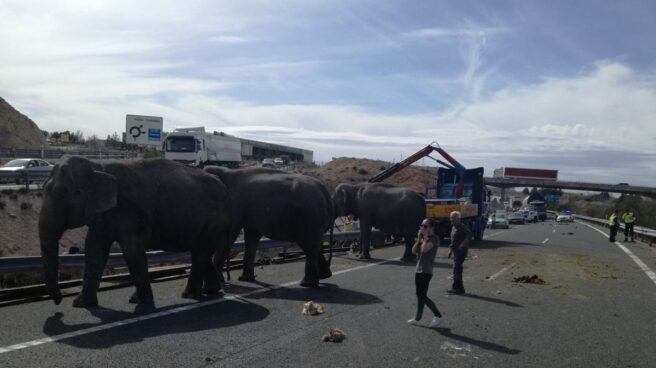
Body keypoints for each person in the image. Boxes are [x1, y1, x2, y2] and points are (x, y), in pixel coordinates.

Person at [407, 218, 442, 328]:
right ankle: (418, 317)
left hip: (426, 270)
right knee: (420, 295)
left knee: (421, 295)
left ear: (431, 227)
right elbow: (413, 251)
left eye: (425, 226)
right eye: (421, 226)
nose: (422, 228)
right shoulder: (423, 239)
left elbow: (424, 250)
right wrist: (418, 239)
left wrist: (425, 237)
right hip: (418, 269)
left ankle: (438, 315)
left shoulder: (434, 239)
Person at [448, 211, 472, 295]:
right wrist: (450, 250)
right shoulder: (453, 227)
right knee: (457, 270)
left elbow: (469, 235)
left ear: (458, 219)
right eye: (451, 217)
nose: (452, 219)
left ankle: (457, 288)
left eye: (453, 218)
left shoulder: (462, 227)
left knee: (456, 269)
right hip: (455, 251)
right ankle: (459, 288)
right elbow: (453, 240)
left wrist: (462, 245)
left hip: (461, 251)